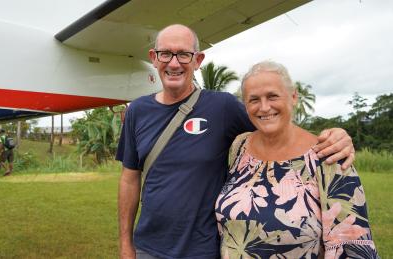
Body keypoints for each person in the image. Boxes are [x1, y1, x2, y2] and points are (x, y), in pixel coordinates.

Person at [116, 24, 355, 259]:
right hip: (147, 247)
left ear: (198, 60)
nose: (174, 63)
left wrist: (333, 136)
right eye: (165, 54)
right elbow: (129, 179)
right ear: (154, 58)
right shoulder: (138, 111)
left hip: (203, 249)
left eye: (184, 54)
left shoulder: (222, 106)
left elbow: (274, 124)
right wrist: (126, 243)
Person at [215, 61, 378, 258]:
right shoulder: (239, 147)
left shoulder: (328, 157)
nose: (264, 107)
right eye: (254, 99)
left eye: (272, 96)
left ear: (293, 97)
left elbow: (352, 248)